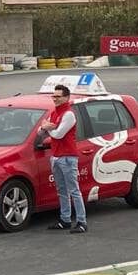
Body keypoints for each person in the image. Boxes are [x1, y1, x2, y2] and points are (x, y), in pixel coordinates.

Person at [39, 84, 87, 234]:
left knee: (74, 190)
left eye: (58, 96)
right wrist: (48, 127)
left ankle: (81, 221)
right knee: (61, 190)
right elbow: (41, 131)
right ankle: (65, 219)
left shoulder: (68, 114)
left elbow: (58, 134)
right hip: (56, 156)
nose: (55, 98)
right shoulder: (54, 112)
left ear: (66, 97)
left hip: (68, 157)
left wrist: (49, 128)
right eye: (54, 96)